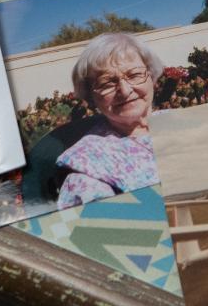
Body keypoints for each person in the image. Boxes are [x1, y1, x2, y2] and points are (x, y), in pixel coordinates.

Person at [54, 33, 164, 209]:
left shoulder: (182, 121)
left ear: (151, 77)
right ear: (90, 96)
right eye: (107, 83)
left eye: (134, 75)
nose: (125, 90)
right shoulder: (87, 167)